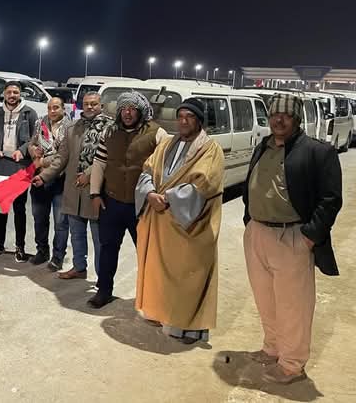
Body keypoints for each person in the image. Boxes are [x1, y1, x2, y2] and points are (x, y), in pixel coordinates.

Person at [242, 93, 342, 384]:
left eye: (286, 115)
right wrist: (250, 221)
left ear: (297, 119)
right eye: (275, 114)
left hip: (292, 237)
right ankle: (272, 348)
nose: (279, 120)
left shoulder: (317, 151)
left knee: (293, 305)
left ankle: (292, 364)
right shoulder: (263, 146)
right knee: (266, 299)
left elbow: (330, 200)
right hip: (258, 233)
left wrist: (309, 237)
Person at [134, 97, 225, 344]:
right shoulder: (166, 144)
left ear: (199, 121)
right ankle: (161, 314)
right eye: (181, 116)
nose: (184, 121)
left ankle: (190, 328)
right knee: (159, 274)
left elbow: (204, 184)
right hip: (161, 222)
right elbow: (147, 169)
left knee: (189, 276)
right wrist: (149, 193)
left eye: (190, 117)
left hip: (190, 225)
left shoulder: (211, 149)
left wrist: (167, 198)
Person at [88, 91, 168, 308]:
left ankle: (152, 298)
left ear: (140, 111)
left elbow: (166, 167)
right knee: (108, 248)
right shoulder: (109, 132)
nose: (127, 113)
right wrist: (95, 194)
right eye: (123, 109)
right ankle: (104, 291)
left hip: (142, 206)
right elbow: (99, 163)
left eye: (132, 109)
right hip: (111, 202)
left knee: (147, 252)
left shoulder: (157, 133)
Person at [34, 91, 108, 277]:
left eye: (94, 104)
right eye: (86, 103)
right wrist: (44, 176)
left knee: (100, 239)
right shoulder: (73, 127)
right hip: (74, 189)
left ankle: (103, 278)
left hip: (97, 191)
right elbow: (62, 158)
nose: (89, 107)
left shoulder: (110, 128)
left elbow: (110, 158)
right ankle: (79, 268)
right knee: (76, 234)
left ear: (101, 106)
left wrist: (89, 175)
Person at [0, 81, 37, 261]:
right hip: (1, 166)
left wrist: (21, 151)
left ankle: (20, 246)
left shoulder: (29, 113)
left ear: (20, 94)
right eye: (9, 92)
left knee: (19, 208)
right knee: (1, 206)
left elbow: (34, 139)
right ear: (4, 94)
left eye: (15, 92)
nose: (12, 95)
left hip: (20, 167)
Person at [27, 97, 71, 265]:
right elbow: (31, 143)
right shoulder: (40, 123)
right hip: (39, 179)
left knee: (61, 222)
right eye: (50, 108)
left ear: (63, 109)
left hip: (60, 180)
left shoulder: (70, 127)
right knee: (39, 219)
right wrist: (33, 151)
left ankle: (58, 257)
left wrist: (43, 161)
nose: (52, 111)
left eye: (56, 107)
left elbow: (64, 156)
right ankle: (42, 251)